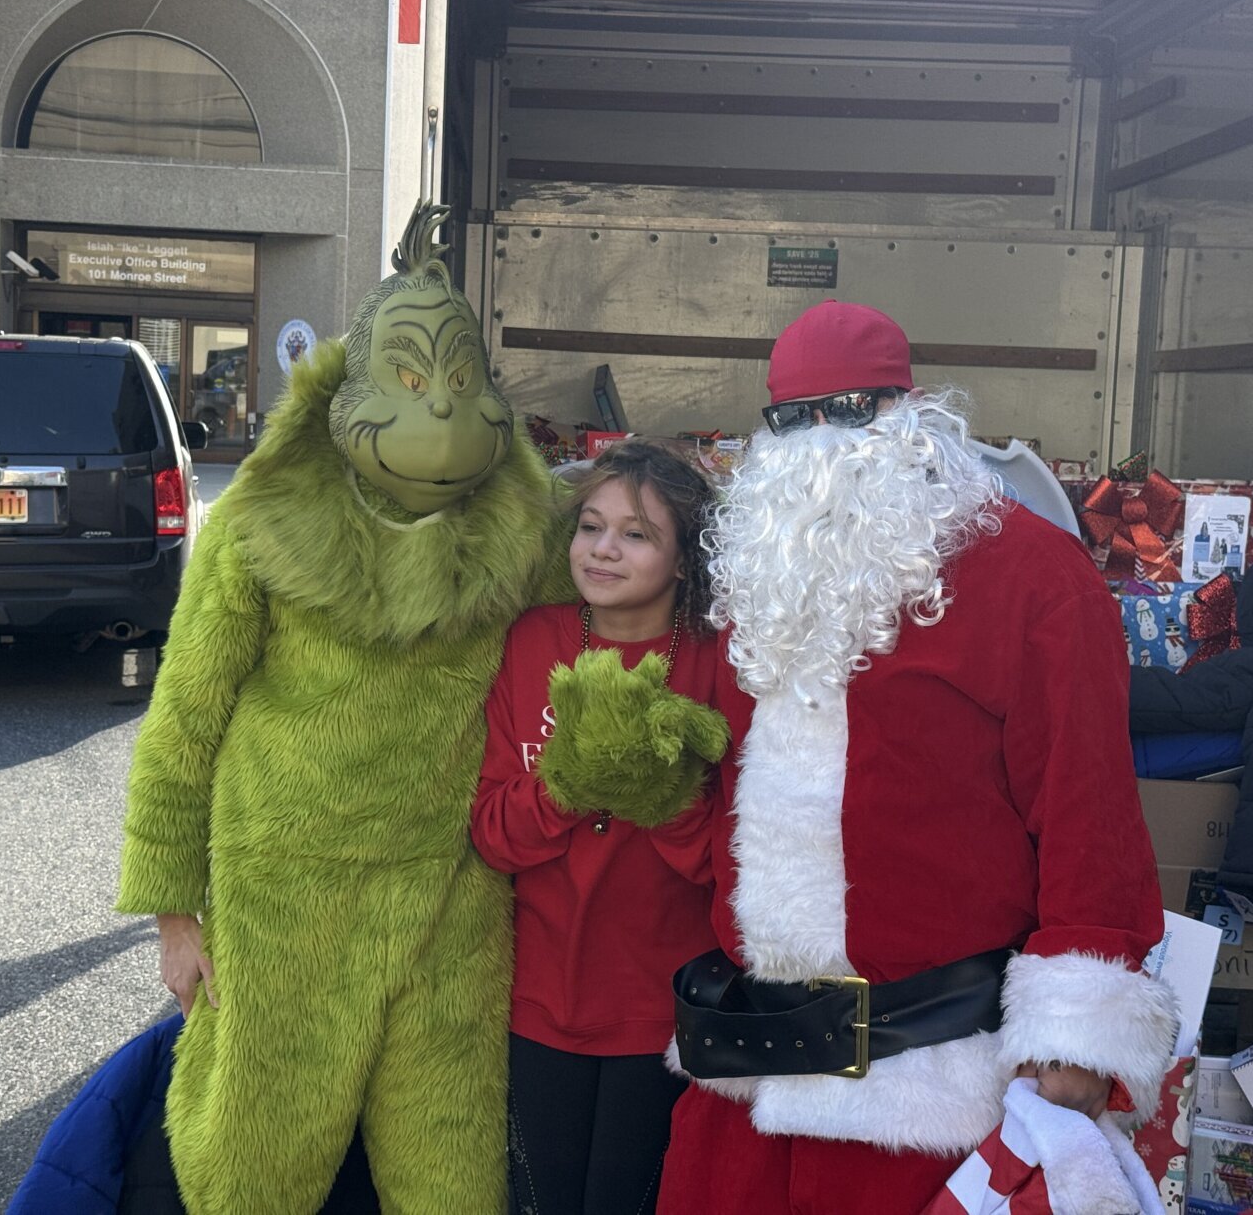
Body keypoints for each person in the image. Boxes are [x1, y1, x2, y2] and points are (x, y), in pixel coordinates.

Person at [656, 301, 1178, 1214]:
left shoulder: (1034, 576)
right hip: (750, 1084)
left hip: (935, 1099)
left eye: (851, 410)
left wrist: (1075, 1041)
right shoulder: (761, 579)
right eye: (791, 419)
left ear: (908, 416)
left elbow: (1087, 806)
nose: (820, 440)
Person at [115, 202, 573, 1215]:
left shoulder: (523, 531)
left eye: (463, 385)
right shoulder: (258, 523)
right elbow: (185, 719)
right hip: (284, 885)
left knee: (452, 1175)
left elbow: (608, 607)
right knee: (251, 1165)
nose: (444, 415)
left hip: (451, 891)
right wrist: (173, 914)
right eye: (412, 383)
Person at [472, 441, 733, 1215]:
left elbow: (729, 863)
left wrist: (666, 797)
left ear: (684, 559)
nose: (604, 549)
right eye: (591, 527)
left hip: (665, 1016)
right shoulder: (531, 643)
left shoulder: (717, 663)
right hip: (537, 1004)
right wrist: (566, 785)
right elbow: (490, 834)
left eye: (637, 534)